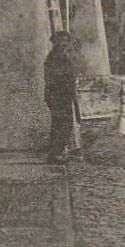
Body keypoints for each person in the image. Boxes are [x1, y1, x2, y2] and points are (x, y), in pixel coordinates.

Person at [43, 31, 78, 163]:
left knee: (65, 124)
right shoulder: (54, 58)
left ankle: (58, 151)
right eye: (62, 41)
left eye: (66, 41)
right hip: (57, 95)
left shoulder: (63, 57)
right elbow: (55, 77)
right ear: (56, 43)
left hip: (64, 95)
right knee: (60, 124)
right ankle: (55, 153)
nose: (65, 44)